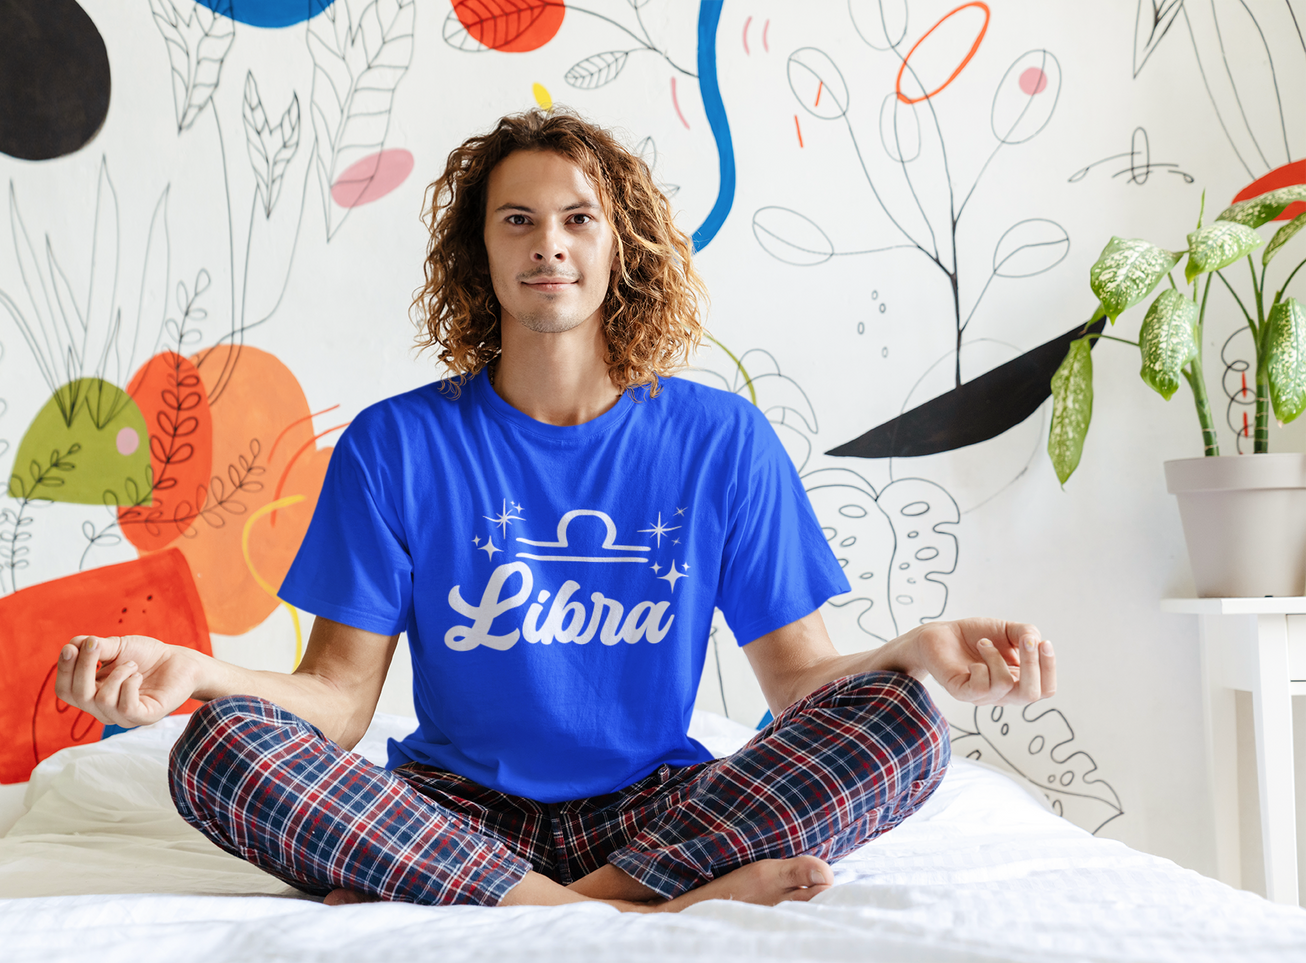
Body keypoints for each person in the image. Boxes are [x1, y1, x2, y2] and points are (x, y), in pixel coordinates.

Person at [54, 108, 1055, 913]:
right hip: (454, 811)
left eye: (577, 217)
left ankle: (574, 898)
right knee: (223, 746)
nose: (548, 245)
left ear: (621, 245)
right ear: (477, 253)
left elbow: (798, 685)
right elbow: (338, 701)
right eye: (516, 220)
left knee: (900, 720)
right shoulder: (395, 445)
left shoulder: (720, 441)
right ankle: (625, 911)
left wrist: (913, 650)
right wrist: (197, 674)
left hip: (656, 809)